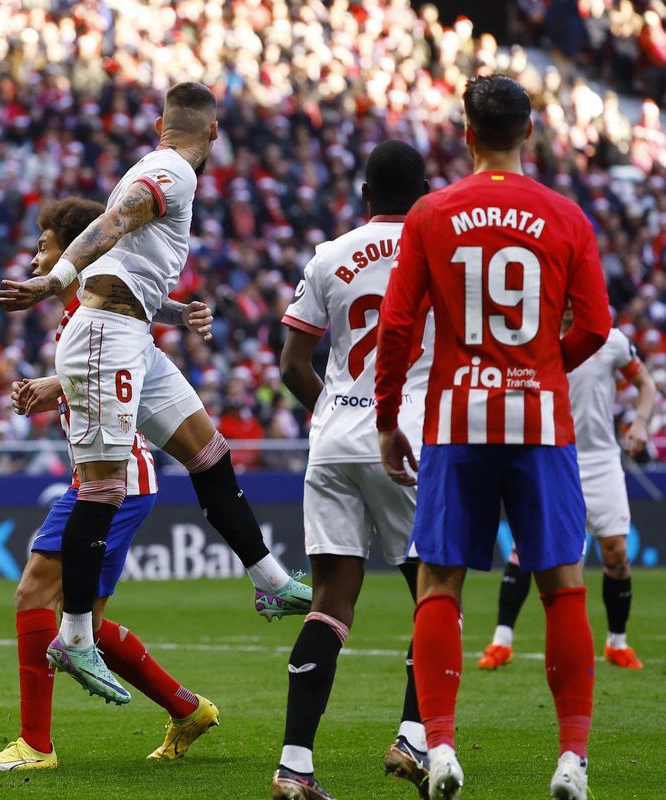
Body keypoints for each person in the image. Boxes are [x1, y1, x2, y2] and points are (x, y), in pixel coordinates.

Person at [0, 82, 311, 705]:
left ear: (164, 121)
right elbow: (114, 222)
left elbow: (123, 268)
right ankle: (76, 636)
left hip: (131, 333)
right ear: (212, 133)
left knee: (208, 451)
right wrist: (53, 278)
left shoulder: (161, 167)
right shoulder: (171, 171)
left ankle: (268, 578)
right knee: (103, 489)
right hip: (106, 336)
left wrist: (173, 309)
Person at [374, 75, 611, 800]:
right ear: (529, 133)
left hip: (455, 420)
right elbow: (596, 327)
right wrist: (542, 368)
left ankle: (439, 748)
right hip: (539, 421)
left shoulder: (431, 212)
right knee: (563, 587)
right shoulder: (566, 215)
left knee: (438, 583)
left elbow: (397, 326)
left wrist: (388, 418)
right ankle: (571, 759)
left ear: (467, 133)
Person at [0, 197, 219, 771]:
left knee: (35, 590)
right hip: (118, 477)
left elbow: (135, 333)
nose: (37, 253)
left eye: (45, 243)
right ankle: (188, 709)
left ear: (79, 250)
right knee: (90, 624)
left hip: (115, 478)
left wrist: (182, 314)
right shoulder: (82, 312)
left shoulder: (98, 310)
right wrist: (55, 386)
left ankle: (35, 745)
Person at [272, 140, 432, 800]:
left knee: (331, 600)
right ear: (424, 196)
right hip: (412, 439)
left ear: (364, 197)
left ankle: (293, 766)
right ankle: (414, 738)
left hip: (336, 437)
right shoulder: (440, 253)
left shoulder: (329, 256)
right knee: (435, 591)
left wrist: (337, 413)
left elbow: (291, 364)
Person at [479, 310, 657, 672]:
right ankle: (501, 640)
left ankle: (617, 643)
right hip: (551, 455)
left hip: (602, 460)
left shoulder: (609, 340)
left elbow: (647, 386)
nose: (571, 305)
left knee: (617, 552)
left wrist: (640, 422)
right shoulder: (533, 336)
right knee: (526, 548)